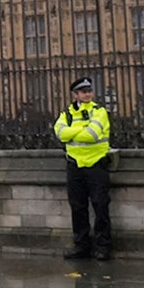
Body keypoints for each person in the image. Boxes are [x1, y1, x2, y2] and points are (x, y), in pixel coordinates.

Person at [55, 76, 112, 261]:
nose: (87, 94)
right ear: (75, 94)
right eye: (83, 92)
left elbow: (92, 135)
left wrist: (73, 133)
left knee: (100, 206)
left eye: (89, 91)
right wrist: (81, 130)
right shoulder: (67, 114)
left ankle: (103, 246)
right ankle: (81, 245)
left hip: (96, 165)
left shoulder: (99, 111)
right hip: (75, 166)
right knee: (78, 208)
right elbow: (60, 134)